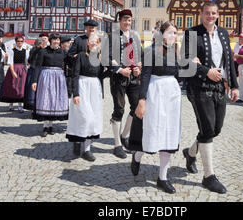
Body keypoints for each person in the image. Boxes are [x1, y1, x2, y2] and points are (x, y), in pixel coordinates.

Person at [181, 1, 239, 194]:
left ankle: (190, 153)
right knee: (206, 129)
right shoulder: (192, 33)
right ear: (201, 13)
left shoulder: (223, 33)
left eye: (214, 13)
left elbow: (229, 59)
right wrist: (205, 71)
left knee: (216, 129)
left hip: (219, 87)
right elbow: (186, 60)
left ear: (218, 14)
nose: (210, 16)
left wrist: (234, 85)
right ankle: (209, 176)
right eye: (207, 13)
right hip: (199, 87)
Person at [129, 21, 185, 194]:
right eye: (169, 32)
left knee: (169, 132)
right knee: (151, 131)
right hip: (155, 92)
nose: (173, 36)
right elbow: (145, 77)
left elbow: (177, 75)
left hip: (172, 95)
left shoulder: (175, 52)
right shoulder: (151, 51)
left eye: (175, 33)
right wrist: (142, 100)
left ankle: (163, 177)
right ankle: (137, 156)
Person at [66, 33, 108, 161]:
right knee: (84, 116)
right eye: (92, 41)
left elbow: (101, 75)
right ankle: (77, 141)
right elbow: (75, 74)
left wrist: (109, 70)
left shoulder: (100, 58)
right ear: (88, 43)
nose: (94, 43)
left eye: (96, 41)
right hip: (82, 86)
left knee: (93, 118)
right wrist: (76, 93)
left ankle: (87, 149)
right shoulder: (80, 56)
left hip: (95, 89)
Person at [108, 10, 142, 159]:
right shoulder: (112, 37)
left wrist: (138, 67)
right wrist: (120, 70)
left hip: (133, 78)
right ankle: (117, 145)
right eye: (125, 20)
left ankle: (124, 136)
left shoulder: (135, 37)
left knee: (136, 108)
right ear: (120, 21)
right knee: (119, 109)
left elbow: (140, 55)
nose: (127, 23)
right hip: (118, 78)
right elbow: (107, 58)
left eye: (129, 20)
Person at [67, 19, 99, 155]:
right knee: (80, 114)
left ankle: (87, 147)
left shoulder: (99, 43)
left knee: (92, 115)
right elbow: (69, 56)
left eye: (93, 27)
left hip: (93, 82)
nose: (91, 29)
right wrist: (79, 58)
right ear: (86, 28)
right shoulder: (79, 40)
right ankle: (77, 140)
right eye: (89, 27)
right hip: (81, 76)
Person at [32, 33, 69, 137]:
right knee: (46, 100)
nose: (56, 42)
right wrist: (35, 81)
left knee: (54, 102)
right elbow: (38, 66)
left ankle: (51, 125)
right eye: (54, 40)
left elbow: (69, 63)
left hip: (59, 79)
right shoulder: (43, 51)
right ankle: (45, 126)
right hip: (46, 77)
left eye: (58, 40)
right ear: (50, 40)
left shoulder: (62, 52)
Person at [0, 36, 29, 113]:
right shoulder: (12, 51)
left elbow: (27, 61)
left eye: (21, 41)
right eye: (18, 41)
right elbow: (10, 62)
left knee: (21, 88)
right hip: (14, 68)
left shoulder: (25, 51)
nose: (20, 43)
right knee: (12, 86)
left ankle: (20, 105)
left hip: (22, 69)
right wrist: (13, 72)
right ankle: (11, 104)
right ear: (16, 42)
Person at [23, 38, 43, 112]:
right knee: (33, 89)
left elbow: (29, 60)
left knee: (31, 89)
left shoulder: (32, 50)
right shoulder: (38, 50)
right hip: (36, 70)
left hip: (33, 69)